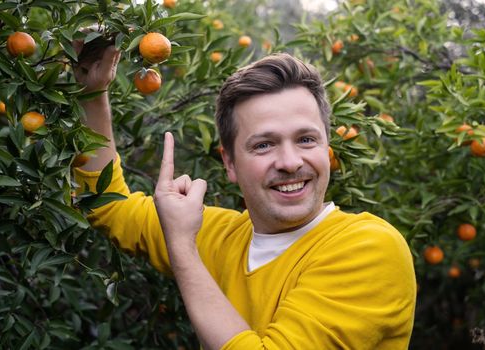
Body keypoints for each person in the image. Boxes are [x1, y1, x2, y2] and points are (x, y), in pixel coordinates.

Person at [72, 41, 416, 349]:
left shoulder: (370, 247)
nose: (290, 162)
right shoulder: (218, 236)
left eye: (306, 139)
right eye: (264, 144)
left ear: (327, 147)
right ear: (230, 163)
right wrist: (92, 92)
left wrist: (182, 246)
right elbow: (108, 206)